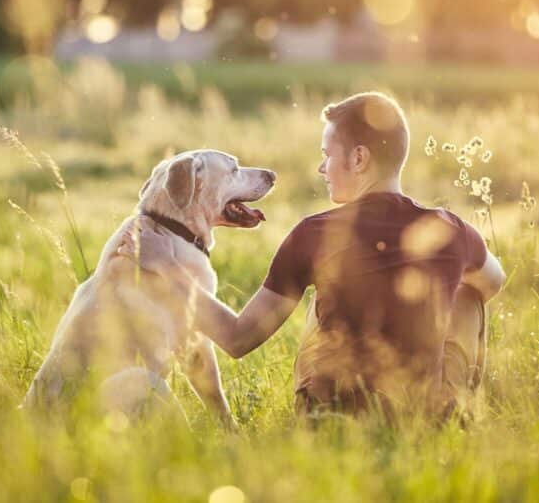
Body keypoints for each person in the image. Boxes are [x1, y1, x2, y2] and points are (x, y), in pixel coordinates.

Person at [121, 92, 506, 417]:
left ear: (358, 159)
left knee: (321, 293)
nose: (322, 167)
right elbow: (494, 282)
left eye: (327, 154)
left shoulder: (315, 233)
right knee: (468, 295)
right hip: (420, 417)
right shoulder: (450, 228)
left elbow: (237, 339)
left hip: (329, 416)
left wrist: (168, 271)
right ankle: (459, 410)